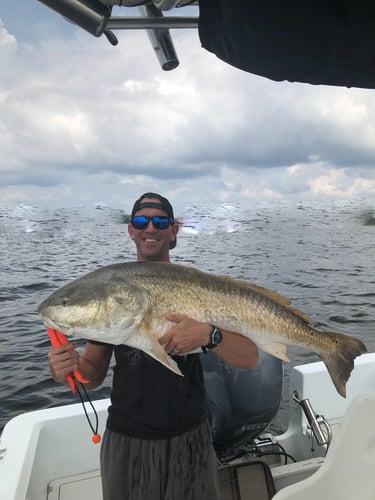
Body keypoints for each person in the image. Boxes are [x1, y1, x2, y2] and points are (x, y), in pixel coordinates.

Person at [48, 192, 259, 500]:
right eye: (141, 221)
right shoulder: (112, 294)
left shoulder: (199, 289)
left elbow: (250, 358)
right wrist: (68, 367)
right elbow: (92, 374)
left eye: (160, 221)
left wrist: (208, 334)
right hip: (128, 437)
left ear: (173, 231)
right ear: (131, 230)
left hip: (191, 434)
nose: (150, 228)